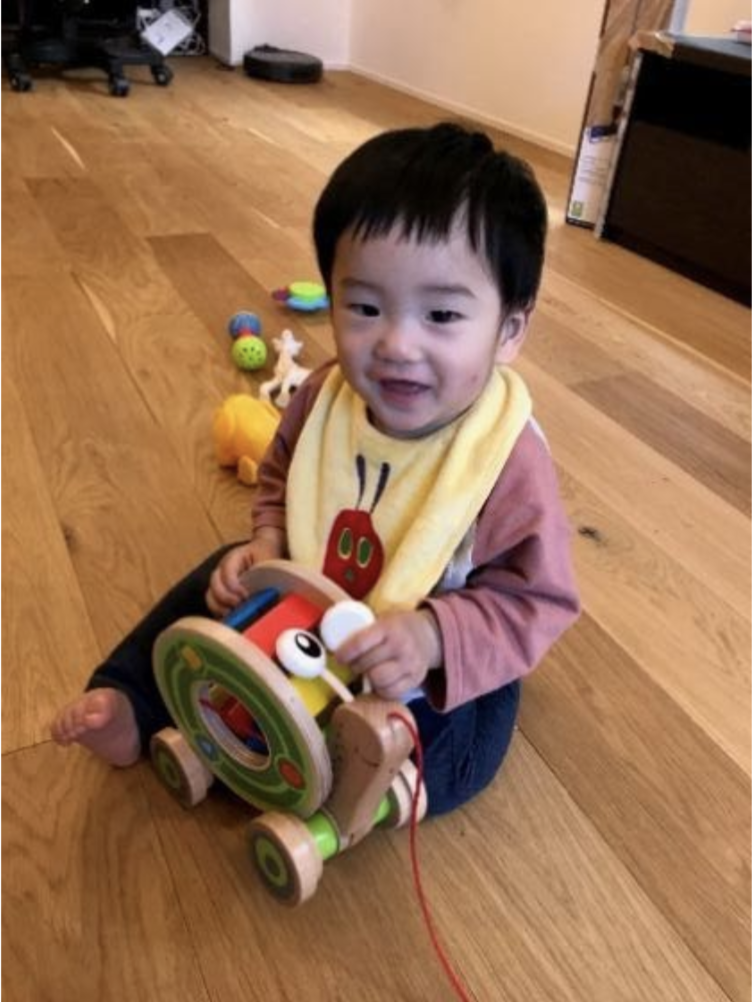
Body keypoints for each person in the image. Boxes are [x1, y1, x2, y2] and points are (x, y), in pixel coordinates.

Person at [51, 122, 580, 815]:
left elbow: (535, 601)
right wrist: (267, 543)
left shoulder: (503, 456)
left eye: (442, 314)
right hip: (306, 601)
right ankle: (133, 699)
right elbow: (280, 479)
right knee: (215, 579)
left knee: (474, 728)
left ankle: (375, 788)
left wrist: (432, 637)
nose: (397, 344)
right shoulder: (326, 400)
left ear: (509, 330)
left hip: (419, 654)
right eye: (365, 307)